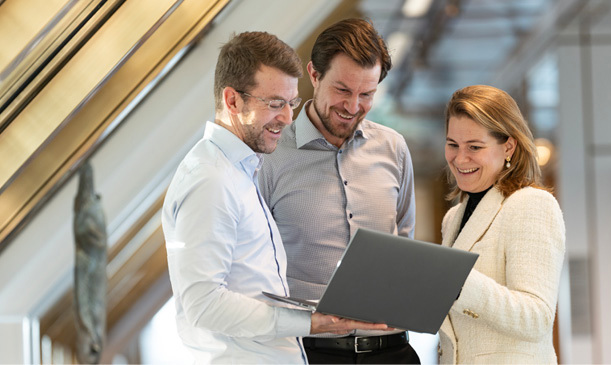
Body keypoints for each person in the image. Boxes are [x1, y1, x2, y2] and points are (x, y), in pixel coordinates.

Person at [161, 31, 388, 364]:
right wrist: (308, 322)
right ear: (233, 100)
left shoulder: (238, 170)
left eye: (292, 103)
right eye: (275, 104)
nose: (287, 117)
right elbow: (203, 303)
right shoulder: (210, 181)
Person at [259, 18, 418, 363]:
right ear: (314, 75)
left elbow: (404, 243)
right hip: (309, 353)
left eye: (367, 94)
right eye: (343, 90)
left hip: (392, 352)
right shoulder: (269, 156)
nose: (352, 106)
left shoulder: (394, 148)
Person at [437, 85, 566, 364]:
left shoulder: (530, 204)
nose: (460, 158)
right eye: (452, 145)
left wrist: (458, 281)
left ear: (508, 146)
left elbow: (536, 318)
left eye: (474, 147)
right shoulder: (453, 218)